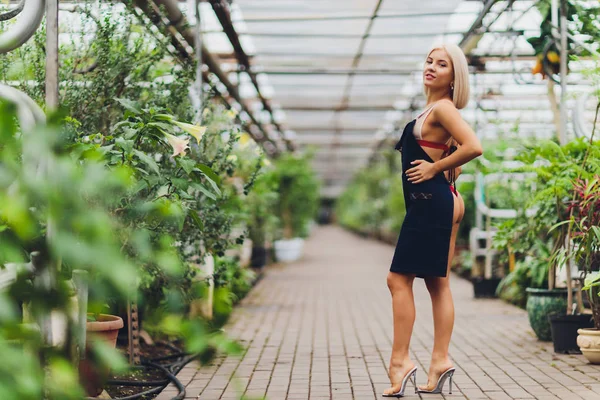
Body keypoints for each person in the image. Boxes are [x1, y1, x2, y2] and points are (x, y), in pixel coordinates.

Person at [382, 43, 483, 397]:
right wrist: (446, 167)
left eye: (442, 65)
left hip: (430, 202)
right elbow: (455, 152)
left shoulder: (442, 108)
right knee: (438, 285)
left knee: (397, 280)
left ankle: (400, 361)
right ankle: (439, 361)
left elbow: (474, 145)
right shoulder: (432, 110)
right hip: (439, 200)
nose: (432, 68)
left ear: (454, 77)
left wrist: (435, 168)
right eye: (429, 61)